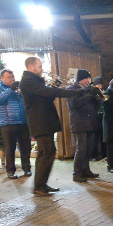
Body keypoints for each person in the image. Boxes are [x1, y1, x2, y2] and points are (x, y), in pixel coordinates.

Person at [19, 57, 95, 196]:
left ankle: (41, 184)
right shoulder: (28, 81)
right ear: (31, 67)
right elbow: (49, 93)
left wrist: (54, 86)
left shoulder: (34, 81)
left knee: (47, 152)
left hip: (44, 122)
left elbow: (48, 96)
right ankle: (38, 187)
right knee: (46, 153)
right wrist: (74, 91)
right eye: (40, 66)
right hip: (39, 122)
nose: (42, 69)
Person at [67, 69, 101, 182]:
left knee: (88, 149)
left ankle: (86, 170)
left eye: (89, 78)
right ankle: (76, 174)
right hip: (79, 123)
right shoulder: (71, 89)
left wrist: (98, 98)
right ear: (80, 79)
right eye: (86, 78)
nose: (88, 80)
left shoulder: (88, 90)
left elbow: (95, 107)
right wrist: (90, 94)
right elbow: (75, 104)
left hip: (90, 123)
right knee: (81, 149)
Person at [0, 69, 31, 179]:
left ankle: (27, 169)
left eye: (12, 77)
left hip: (23, 121)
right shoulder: (1, 88)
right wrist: (10, 90)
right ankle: (10, 171)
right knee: (10, 148)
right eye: (9, 77)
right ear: (2, 78)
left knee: (26, 147)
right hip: (8, 123)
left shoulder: (18, 88)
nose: (12, 79)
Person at [91, 77, 107, 161]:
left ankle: (104, 154)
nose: (100, 87)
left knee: (103, 136)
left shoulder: (103, 93)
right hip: (94, 117)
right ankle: (94, 155)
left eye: (100, 85)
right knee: (94, 137)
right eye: (98, 85)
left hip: (102, 116)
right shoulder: (92, 93)